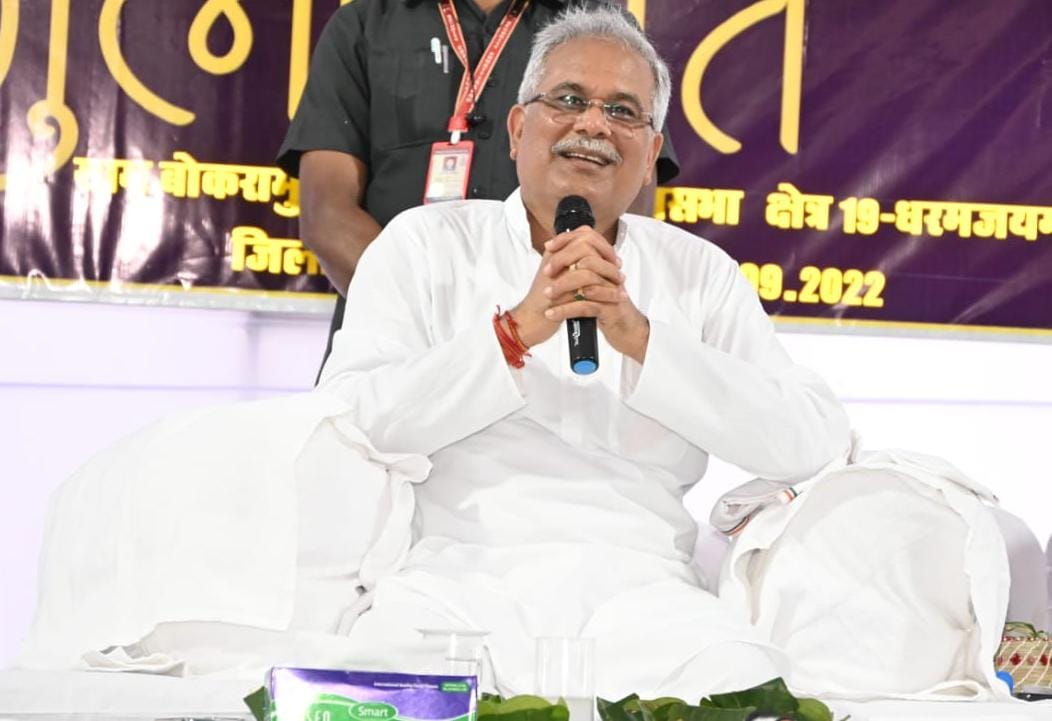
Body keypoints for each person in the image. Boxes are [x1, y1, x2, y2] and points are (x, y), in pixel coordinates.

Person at [313, 6, 851, 699]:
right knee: (370, 695)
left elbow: (809, 439)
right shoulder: (424, 245)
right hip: (453, 586)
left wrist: (641, 338)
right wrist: (512, 333)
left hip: (647, 595)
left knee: (750, 687)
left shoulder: (698, 272)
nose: (593, 124)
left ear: (651, 153)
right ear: (517, 128)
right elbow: (350, 420)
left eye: (623, 111)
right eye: (568, 100)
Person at [276, 0, 678, 372]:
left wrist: (529, 326)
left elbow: (628, 205)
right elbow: (327, 215)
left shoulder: (598, 32)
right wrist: (462, 340)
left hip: (556, 358)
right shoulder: (365, 24)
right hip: (396, 355)